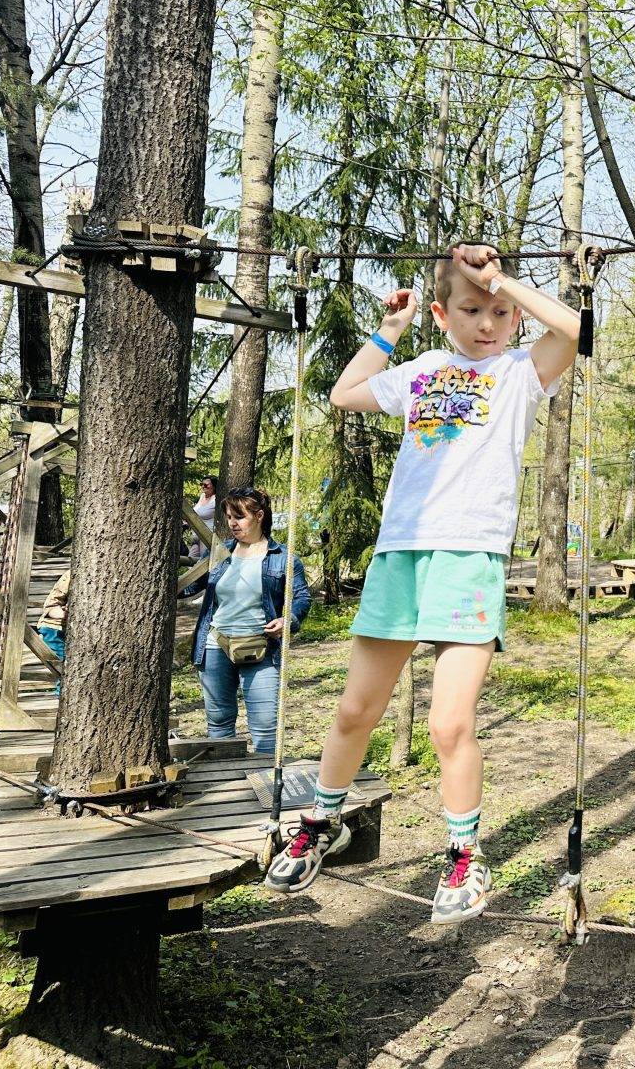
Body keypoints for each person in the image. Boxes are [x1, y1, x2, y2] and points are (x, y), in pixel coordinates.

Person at [263, 244, 578, 924]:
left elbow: (573, 330)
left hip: (470, 561)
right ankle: (322, 820)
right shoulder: (423, 370)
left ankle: (465, 854)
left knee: (448, 722)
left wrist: (505, 282)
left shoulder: (521, 372)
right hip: (400, 556)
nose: (488, 323)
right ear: (443, 314)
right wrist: (391, 331)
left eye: (500, 311)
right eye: (471, 309)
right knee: (353, 712)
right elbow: (345, 394)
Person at [191, 486, 311, 754]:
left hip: (261, 646)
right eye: (229, 517)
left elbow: (302, 598)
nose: (232, 523)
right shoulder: (219, 554)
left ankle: (265, 786)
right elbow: (189, 587)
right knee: (219, 725)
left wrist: (287, 620)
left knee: (266, 726)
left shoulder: (284, 559)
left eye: (239, 516)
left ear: (259, 516)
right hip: (215, 645)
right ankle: (225, 783)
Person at [38, 571, 69, 677]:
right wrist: (65, 614)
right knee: (65, 670)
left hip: (72, 632)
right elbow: (50, 608)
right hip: (54, 629)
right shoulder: (71, 575)